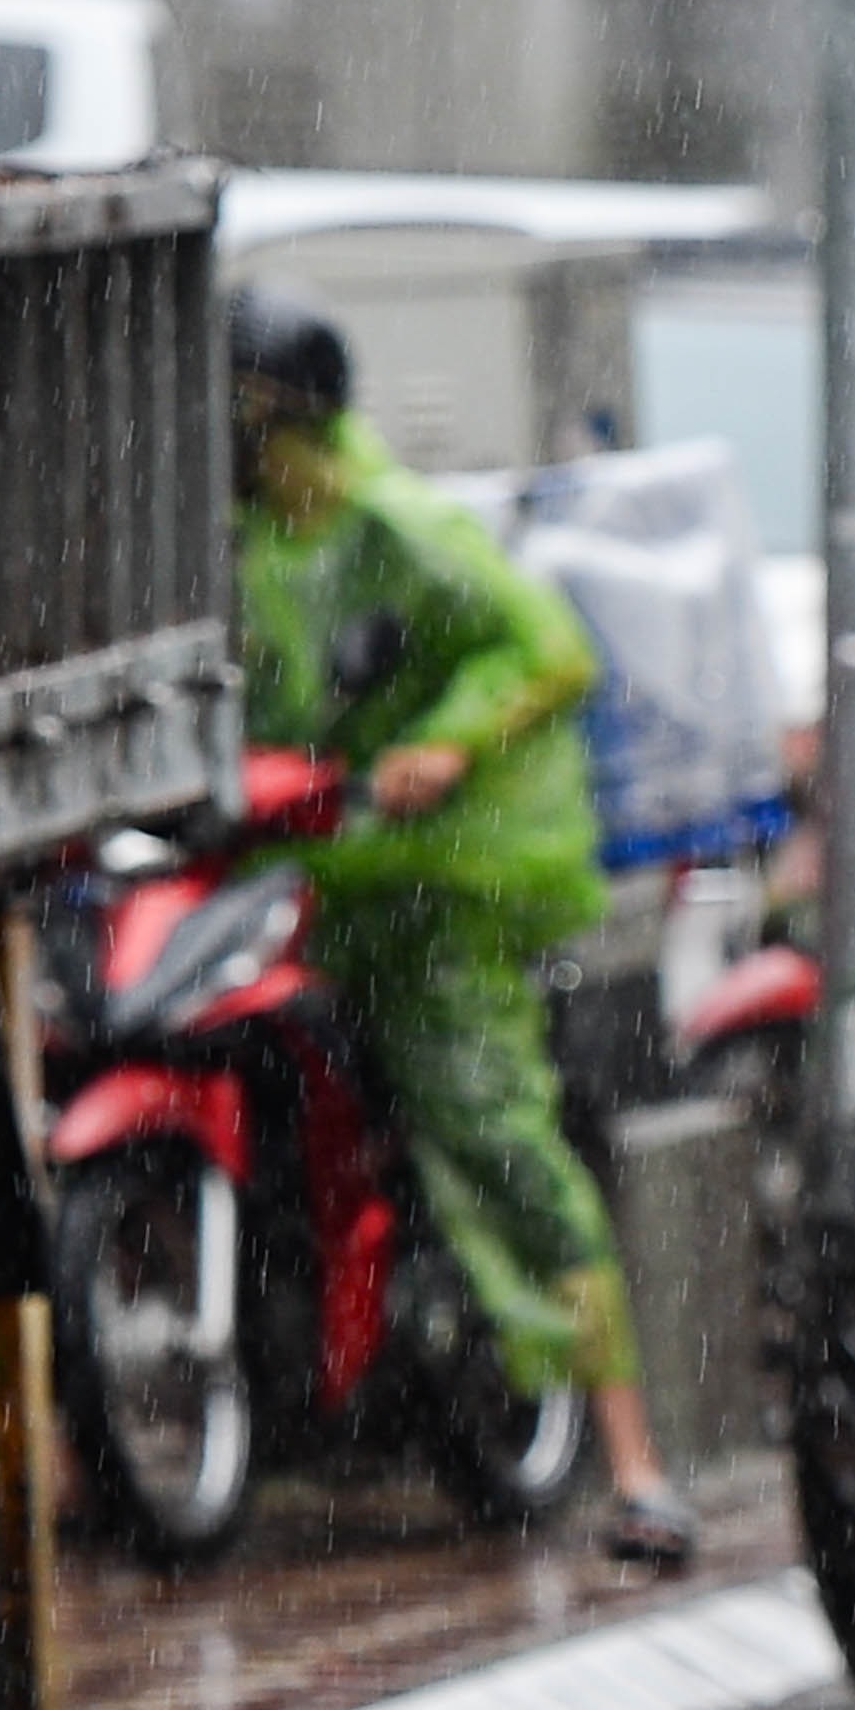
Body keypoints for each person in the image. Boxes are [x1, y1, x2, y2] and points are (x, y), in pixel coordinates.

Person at [225, 283, 701, 1568]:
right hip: (333, 882)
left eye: (253, 419)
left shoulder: (396, 529)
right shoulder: (254, 547)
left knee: (502, 1142)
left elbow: (548, 650)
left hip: (454, 884)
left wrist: (442, 746)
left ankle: (638, 1463)